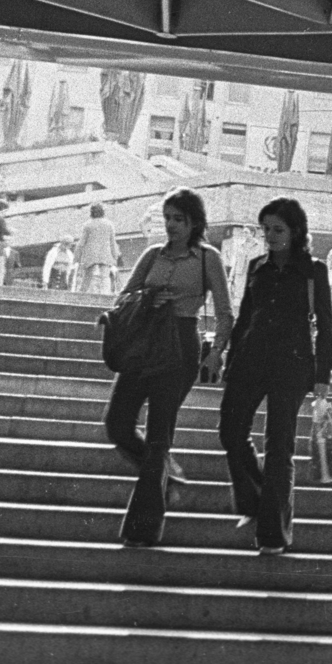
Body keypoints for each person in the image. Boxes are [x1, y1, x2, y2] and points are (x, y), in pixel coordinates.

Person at [105, 187, 232, 548]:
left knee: (160, 435)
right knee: (116, 423)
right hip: (144, 341)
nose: (171, 226)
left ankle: (141, 530)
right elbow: (122, 298)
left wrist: (216, 353)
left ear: (194, 222)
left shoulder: (208, 259)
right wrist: (147, 297)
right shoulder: (151, 254)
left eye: (179, 219)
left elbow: (225, 312)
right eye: (168, 218)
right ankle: (167, 473)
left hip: (180, 346)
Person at [212, 198, 332, 555]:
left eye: (277, 230)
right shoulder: (255, 267)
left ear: (295, 231)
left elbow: (325, 325)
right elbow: (245, 316)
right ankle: (259, 499)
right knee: (230, 431)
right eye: (265, 229)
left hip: (292, 365)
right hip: (250, 359)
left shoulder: (314, 270)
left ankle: (272, 533)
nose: (269, 236)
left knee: (279, 447)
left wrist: (323, 373)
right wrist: (231, 361)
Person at [76, 202, 120, 295]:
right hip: (105, 254)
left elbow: (82, 242)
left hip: (91, 254)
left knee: (89, 276)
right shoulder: (109, 224)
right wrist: (115, 255)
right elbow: (112, 241)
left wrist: (77, 257)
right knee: (105, 277)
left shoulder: (88, 225)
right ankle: (105, 294)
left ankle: (88, 294)